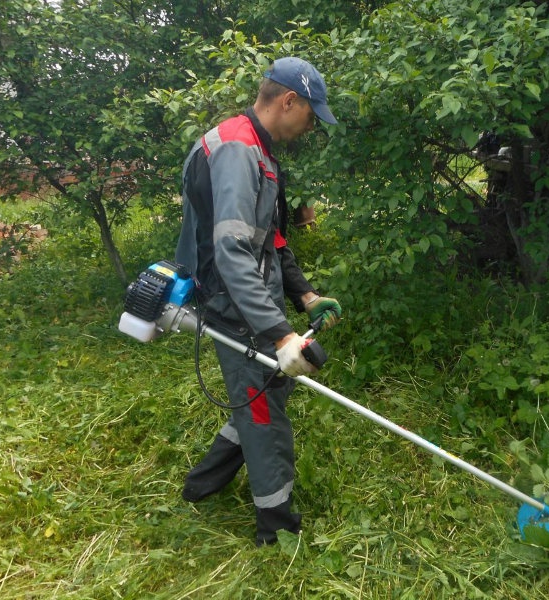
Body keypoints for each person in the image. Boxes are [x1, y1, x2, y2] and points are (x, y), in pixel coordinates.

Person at [173, 56, 342, 546]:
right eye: (310, 114)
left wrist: (305, 296)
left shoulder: (260, 152)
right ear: (288, 100)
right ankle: (277, 529)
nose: (310, 126)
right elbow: (231, 253)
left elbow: (270, 240)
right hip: (233, 306)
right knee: (265, 414)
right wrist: (280, 332)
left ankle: (203, 483)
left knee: (263, 393)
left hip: (254, 303)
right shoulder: (237, 151)